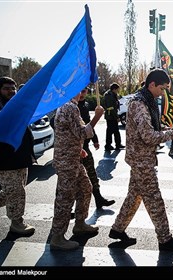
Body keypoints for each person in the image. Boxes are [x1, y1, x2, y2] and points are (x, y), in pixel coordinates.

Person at [109, 68, 173, 252]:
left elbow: (152, 126)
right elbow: (148, 136)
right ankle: (165, 240)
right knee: (155, 200)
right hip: (141, 160)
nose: (163, 93)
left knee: (134, 197)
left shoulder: (146, 101)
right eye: (162, 88)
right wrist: (171, 134)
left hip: (141, 158)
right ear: (152, 85)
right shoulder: (139, 103)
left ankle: (117, 229)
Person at [0, 77, 35, 235]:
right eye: (6, 88)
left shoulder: (15, 106)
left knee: (14, 189)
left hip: (20, 156)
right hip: (6, 159)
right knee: (16, 191)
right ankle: (17, 223)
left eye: (13, 88)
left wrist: (30, 153)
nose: (11, 91)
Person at [50, 86, 104, 250]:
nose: (81, 92)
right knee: (65, 198)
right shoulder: (70, 107)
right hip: (67, 162)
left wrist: (77, 148)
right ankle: (57, 237)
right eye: (78, 88)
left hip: (72, 158)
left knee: (86, 188)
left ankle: (80, 224)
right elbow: (82, 133)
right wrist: (97, 117)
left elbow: (67, 133)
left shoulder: (67, 106)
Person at [78, 86, 115, 209]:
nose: (81, 94)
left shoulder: (85, 105)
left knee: (92, 174)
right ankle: (65, 209)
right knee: (70, 182)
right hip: (74, 148)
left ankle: (98, 198)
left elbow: (89, 125)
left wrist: (95, 139)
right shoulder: (71, 107)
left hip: (85, 146)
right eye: (79, 91)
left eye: (84, 91)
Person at [103, 83, 124, 151]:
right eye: (117, 90)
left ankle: (118, 144)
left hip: (112, 115)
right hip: (110, 116)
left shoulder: (113, 95)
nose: (118, 91)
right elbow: (111, 108)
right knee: (110, 131)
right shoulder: (109, 96)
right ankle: (108, 145)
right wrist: (116, 117)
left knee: (116, 131)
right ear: (114, 89)